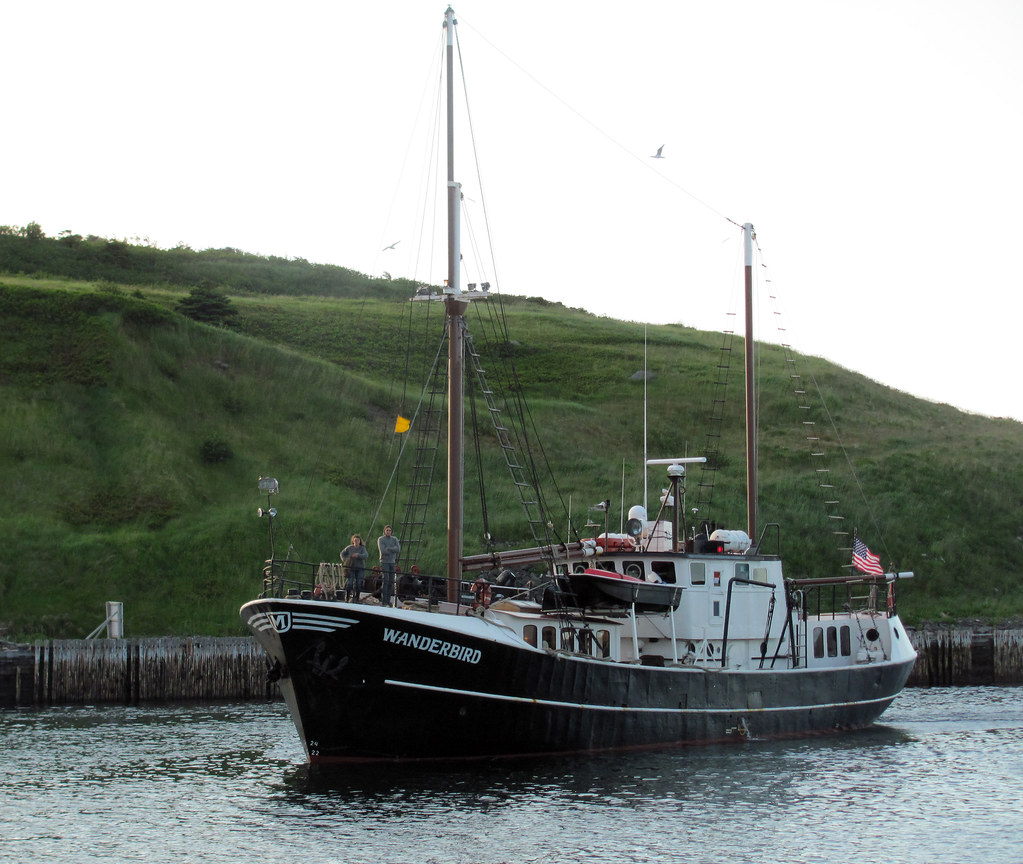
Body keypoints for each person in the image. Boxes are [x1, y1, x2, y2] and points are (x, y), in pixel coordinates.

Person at [377, 525, 401, 607]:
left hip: (392, 562)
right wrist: (393, 549)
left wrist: (389, 548)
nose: (388, 532)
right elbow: (383, 551)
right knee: (386, 580)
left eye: (389, 530)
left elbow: (398, 549)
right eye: (387, 530)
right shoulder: (381, 539)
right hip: (384, 562)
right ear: (384, 531)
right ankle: (384, 601)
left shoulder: (394, 539)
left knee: (391, 581)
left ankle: (388, 600)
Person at [341, 534, 368, 602]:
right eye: (355, 540)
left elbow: (366, 555)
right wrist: (345, 560)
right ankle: (347, 597)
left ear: (360, 541)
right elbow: (342, 553)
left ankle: (356, 598)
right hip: (351, 568)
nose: (356, 542)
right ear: (353, 541)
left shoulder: (362, 548)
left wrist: (358, 555)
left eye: (358, 540)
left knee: (358, 583)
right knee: (350, 583)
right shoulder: (349, 548)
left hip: (360, 568)